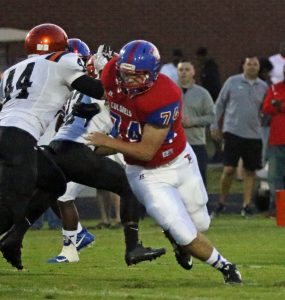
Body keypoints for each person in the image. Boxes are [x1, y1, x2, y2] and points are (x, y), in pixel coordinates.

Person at [85, 40, 242, 284]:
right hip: (145, 175)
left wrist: (110, 141)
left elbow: (147, 150)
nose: (129, 81)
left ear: (153, 74)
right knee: (182, 229)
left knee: (201, 223)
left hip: (179, 160)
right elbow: (107, 83)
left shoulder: (165, 94)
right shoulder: (111, 73)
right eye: (125, 74)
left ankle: (179, 242)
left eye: (136, 76)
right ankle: (226, 267)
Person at [0, 23, 107, 269]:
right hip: (20, 136)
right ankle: (13, 239)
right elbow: (98, 91)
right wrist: (102, 71)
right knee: (10, 207)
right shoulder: (63, 60)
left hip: (7, 133)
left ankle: (14, 241)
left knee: (55, 182)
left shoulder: (13, 69)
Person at [211, 56, 268, 217]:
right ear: (243, 66)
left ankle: (246, 205)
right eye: (249, 63)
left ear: (259, 68)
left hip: (254, 134)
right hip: (233, 131)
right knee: (229, 169)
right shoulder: (232, 82)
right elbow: (220, 104)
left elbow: (266, 110)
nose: (251, 66)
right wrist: (214, 125)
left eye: (255, 64)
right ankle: (221, 203)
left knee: (250, 171)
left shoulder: (263, 87)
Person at [177, 60, 214, 187]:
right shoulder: (170, 91)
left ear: (193, 72)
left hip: (196, 142)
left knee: (199, 178)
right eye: (181, 69)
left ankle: (202, 205)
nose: (184, 73)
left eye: (187, 69)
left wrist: (193, 122)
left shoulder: (202, 93)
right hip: (175, 143)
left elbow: (211, 116)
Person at [262, 68, 285, 216]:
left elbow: (275, 106)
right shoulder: (274, 88)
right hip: (277, 138)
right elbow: (266, 108)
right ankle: (279, 209)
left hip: (277, 138)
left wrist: (280, 106)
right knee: (276, 176)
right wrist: (275, 106)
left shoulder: (276, 90)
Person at [195, 47, 223, 164]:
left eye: (199, 58)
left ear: (204, 56)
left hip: (213, 102)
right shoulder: (205, 68)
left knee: (213, 128)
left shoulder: (211, 68)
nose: (198, 60)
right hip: (209, 101)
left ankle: (220, 153)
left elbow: (214, 86)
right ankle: (219, 152)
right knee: (211, 128)